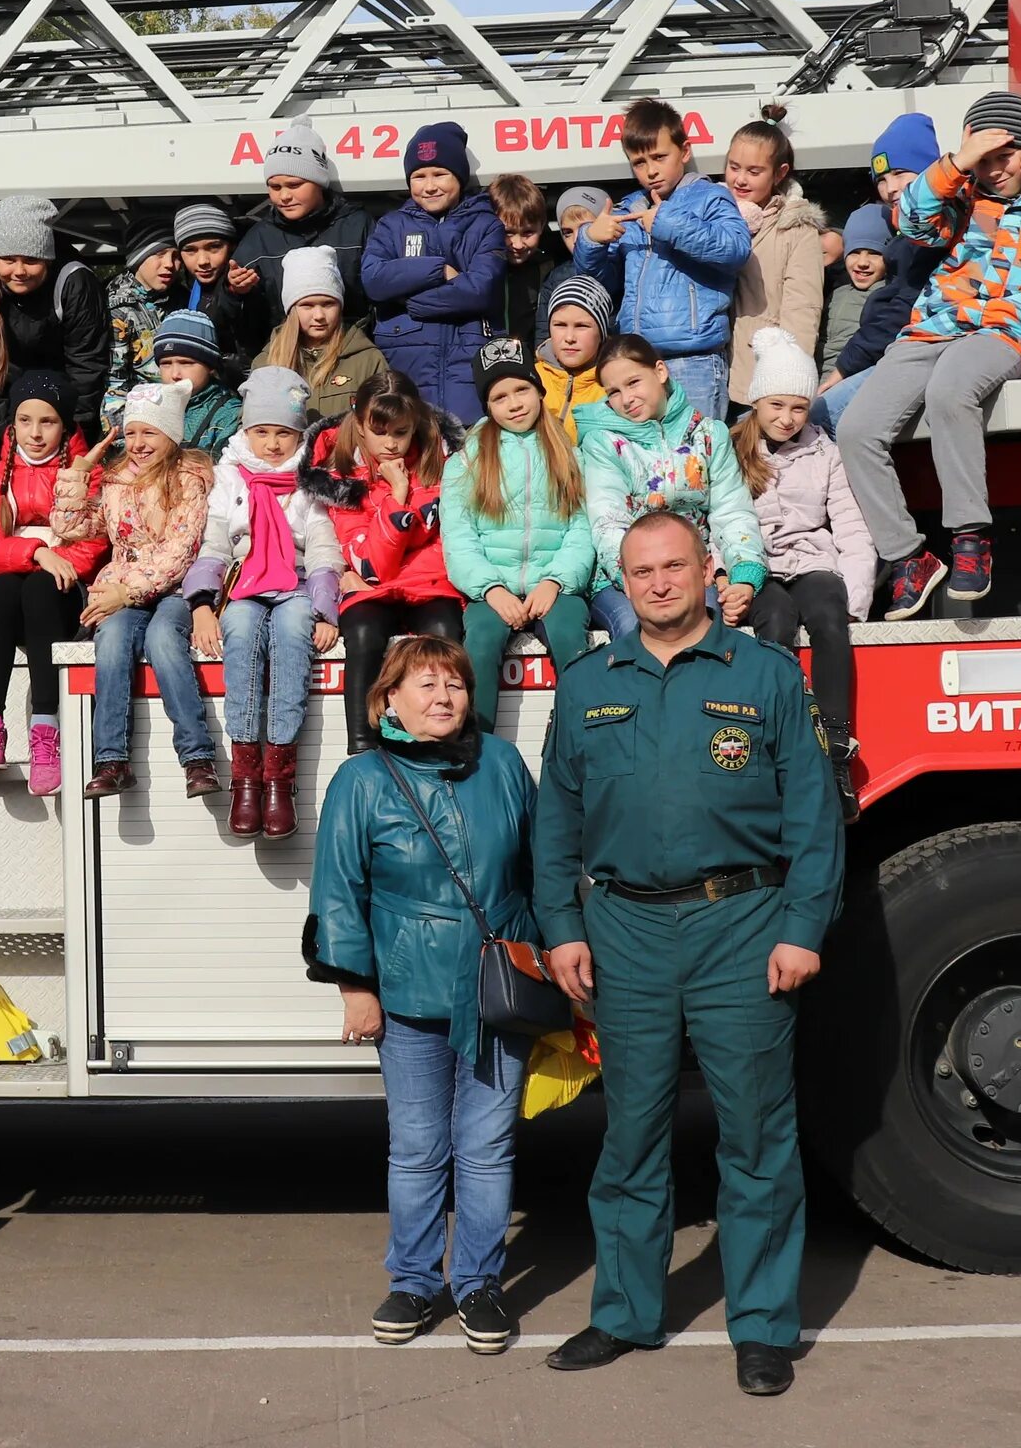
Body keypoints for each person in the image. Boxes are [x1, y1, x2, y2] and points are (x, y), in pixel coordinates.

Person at [533, 509, 844, 1396]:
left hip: (741, 927)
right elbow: (556, 818)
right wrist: (561, 926)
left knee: (755, 1134)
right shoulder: (589, 683)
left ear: (708, 570)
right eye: (641, 572)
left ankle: (763, 1327)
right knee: (630, 1135)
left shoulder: (768, 675)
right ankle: (624, 1314)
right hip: (623, 931)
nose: (660, 583)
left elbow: (814, 817)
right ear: (622, 583)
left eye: (674, 567)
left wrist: (801, 930)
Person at [305, 634, 538, 1357]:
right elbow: (338, 893)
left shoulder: (502, 764)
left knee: (488, 1148)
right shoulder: (361, 779)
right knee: (417, 1149)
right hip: (405, 993)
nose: (443, 697)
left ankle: (477, 1284)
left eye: (456, 686)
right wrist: (354, 987)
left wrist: (561, 952)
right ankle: (412, 1279)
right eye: (426, 685)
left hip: (497, 990)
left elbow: (542, 869)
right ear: (388, 701)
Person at [841, 92, 1021, 617]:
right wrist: (957, 163)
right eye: (987, 158)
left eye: (1007, 155)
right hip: (930, 332)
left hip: (1002, 333)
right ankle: (909, 557)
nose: (997, 169)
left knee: (951, 392)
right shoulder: (958, 198)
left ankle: (970, 539)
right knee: (857, 428)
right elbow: (909, 221)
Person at [183, 366, 343, 839]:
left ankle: (279, 777)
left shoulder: (308, 480)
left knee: (293, 631)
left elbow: (321, 545)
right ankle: (245, 777)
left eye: (284, 434)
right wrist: (202, 604)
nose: (272, 444)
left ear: (299, 434)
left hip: (293, 585)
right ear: (245, 431)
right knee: (240, 631)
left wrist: (324, 607)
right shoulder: (228, 478)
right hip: (243, 584)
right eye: (261, 432)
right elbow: (212, 544)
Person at [53, 381, 220, 801]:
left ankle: (197, 757)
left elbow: (179, 553)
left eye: (150, 433)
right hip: (125, 588)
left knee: (164, 639)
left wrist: (123, 593)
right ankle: (111, 759)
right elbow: (68, 527)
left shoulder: (189, 478)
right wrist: (79, 474)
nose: (139, 444)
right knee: (110, 639)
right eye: (131, 433)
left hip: (178, 588)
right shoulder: (114, 480)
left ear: (172, 434)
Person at [733, 329, 872, 777]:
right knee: (775, 621)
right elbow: (718, 520)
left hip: (812, 558)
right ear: (757, 401)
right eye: (777, 405)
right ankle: (778, 722)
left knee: (829, 617)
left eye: (799, 407)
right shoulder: (732, 449)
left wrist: (856, 597)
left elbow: (850, 524)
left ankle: (835, 730)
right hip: (758, 563)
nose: (788, 418)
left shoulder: (825, 452)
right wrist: (725, 573)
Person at [441, 337, 596, 734]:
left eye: (522, 389)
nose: (514, 404)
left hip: (554, 584)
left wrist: (555, 581)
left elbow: (582, 529)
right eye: (500, 397)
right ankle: (478, 744)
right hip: (494, 588)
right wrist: (491, 589)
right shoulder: (466, 461)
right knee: (480, 641)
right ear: (488, 407)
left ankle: (579, 737)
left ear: (539, 390)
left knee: (567, 634)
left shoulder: (569, 455)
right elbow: (459, 537)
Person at [0, 371, 110, 793]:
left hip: (67, 594)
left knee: (37, 587)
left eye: (47, 422)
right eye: (24, 421)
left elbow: (90, 548)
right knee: (5, 589)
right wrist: (38, 552)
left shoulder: (90, 473)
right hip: (21, 588)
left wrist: (32, 556)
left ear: (65, 426)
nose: (34, 433)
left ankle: (45, 731)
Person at [567, 98, 750, 426]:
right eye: (638, 162)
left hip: (695, 361)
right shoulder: (629, 208)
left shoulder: (710, 197)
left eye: (659, 157)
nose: (650, 170)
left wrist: (666, 223)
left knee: (696, 464)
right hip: (638, 362)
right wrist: (591, 240)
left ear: (685, 151)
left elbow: (736, 249)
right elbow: (598, 286)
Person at [306, 377, 464, 754]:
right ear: (358, 422)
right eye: (379, 432)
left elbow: (434, 534)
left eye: (401, 432)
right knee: (362, 633)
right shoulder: (339, 477)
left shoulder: (440, 466)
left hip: (428, 581)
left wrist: (402, 496)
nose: (391, 443)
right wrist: (397, 497)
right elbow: (374, 564)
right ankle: (363, 745)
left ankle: (444, 740)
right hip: (371, 586)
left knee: (444, 631)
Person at [580, 333, 768, 645]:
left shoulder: (708, 435)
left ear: (660, 371)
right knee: (635, 626)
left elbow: (731, 510)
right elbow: (608, 522)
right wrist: (639, 577)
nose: (626, 399)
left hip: (689, 571)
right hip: (625, 578)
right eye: (614, 392)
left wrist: (743, 573)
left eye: (634, 382)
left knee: (704, 624)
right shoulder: (603, 443)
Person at [362, 121, 509, 423]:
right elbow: (374, 280)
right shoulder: (391, 226)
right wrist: (437, 269)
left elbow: (480, 289)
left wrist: (409, 301)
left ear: (459, 175)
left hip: (469, 373)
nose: (429, 186)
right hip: (407, 373)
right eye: (419, 176)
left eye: (440, 174)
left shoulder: (486, 225)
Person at [814, 112, 945, 432]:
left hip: (925, 354)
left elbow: (903, 309)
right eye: (882, 180)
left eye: (900, 174)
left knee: (820, 418)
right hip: (906, 354)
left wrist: (842, 370)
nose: (889, 188)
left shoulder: (934, 231)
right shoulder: (908, 238)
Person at [0, 195, 110, 443]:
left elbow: (88, 366)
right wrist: (5, 433)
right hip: (9, 416)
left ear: (47, 259)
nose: (19, 271)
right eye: (8, 260)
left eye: (31, 260)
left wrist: (68, 434)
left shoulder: (74, 282)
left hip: (67, 415)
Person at [722, 116, 828, 410]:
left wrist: (786, 383)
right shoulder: (712, 216)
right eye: (733, 167)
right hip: (714, 370)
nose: (740, 179)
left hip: (761, 374)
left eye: (754, 171)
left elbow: (803, 310)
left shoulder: (795, 229)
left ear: (779, 173)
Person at [234, 122, 373, 322]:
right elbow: (234, 320)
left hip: (350, 350)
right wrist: (233, 291)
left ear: (319, 182)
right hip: (283, 351)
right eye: (274, 186)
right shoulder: (258, 239)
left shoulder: (359, 226)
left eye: (294, 185)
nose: (284, 196)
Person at [258, 245, 387, 427]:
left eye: (328, 304)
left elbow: (384, 424)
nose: (319, 315)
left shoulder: (367, 360)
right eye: (307, 305)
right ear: (291, 310)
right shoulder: (267, 363)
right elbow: (249, 432)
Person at [170, 201, 269, 365]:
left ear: (232, 246)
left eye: (214, 247)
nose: (202, 261)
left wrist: (234, 291)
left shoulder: (247, 278)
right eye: (190, 250)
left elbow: (236, 312)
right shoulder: (190, 289)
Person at [101, 219, 178, 426]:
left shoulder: (181, 296)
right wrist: (121, 440)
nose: (170, 264)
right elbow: (114, 382)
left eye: (176, 256)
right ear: (138, 257)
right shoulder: (118, 307)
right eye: (159, 254)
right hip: (140, 419)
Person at [532, 272, 614, 446]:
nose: (569, 337)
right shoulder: (532, 379)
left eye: (581, 326)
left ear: (601, 332)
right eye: (560, 325)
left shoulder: (614, 384)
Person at [149, 309, 245, 452]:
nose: (175, 374)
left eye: (186, 363)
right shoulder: (149, 406)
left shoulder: (227, 414)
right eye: (166, 363)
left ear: (210, 366)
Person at [821, 203, 892, 373]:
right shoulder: (835, 291)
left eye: (875, 253)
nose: (862, 263)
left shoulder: (889, 299)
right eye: (855, 252)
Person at [490, 174, 559, 349]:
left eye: (528, 233)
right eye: (508, 233)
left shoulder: (547, 268)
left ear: (542, 226)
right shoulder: (478, 268)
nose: (518, 244)